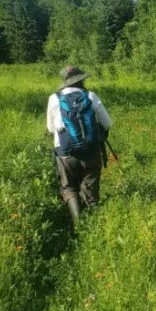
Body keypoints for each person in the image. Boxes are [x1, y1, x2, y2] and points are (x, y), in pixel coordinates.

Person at [47, 66, 113, 220]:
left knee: (69, 187)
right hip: (91, 150)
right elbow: (107, 123)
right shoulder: (90, 96)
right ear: (81, 79)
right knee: (91, 187)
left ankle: (78, 223)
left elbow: (51, 129)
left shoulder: (54, 98)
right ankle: (94, 223)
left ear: (65, 81)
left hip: (64, 152)